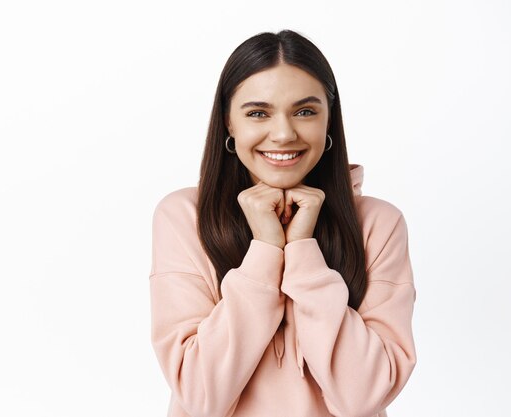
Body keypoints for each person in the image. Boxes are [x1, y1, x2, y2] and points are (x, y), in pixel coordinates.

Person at [149, 29, 416, 417]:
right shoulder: (182, 217)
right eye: (258, 112)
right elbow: (200, 395)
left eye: (305, 111)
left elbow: (365, 396)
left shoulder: (379, 224)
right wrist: (266, 251)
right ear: (228, 122)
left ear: (329, 120)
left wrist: (303, 252)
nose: (283, 134)